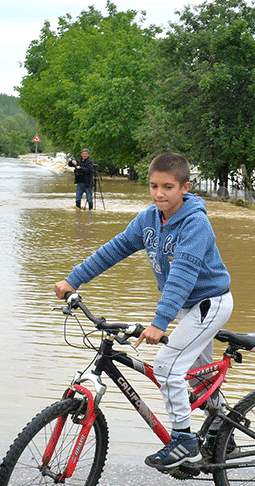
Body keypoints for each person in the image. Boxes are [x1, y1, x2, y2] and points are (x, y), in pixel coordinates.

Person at [54, 152, 233, 470]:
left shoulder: (196, 223)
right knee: (199, 380)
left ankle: (184, 442)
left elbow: (181, 277)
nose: (159, 193)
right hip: (189, 308)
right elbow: (114, 249)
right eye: (153, 186)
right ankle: (224, 432)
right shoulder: (149, 219)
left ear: (185, 188)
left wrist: (159, 323)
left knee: (167, 367)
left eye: (168, 186)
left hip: (210, 304)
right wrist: (73, 279)